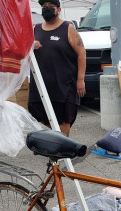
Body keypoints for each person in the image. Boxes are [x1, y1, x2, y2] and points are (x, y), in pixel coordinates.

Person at [28, 0, 86, 137]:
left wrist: (80, 79)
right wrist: (31, 45)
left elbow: (82, 53)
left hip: (64, 84)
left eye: (50, 7)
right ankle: (58, 138)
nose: (46, 9)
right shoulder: (35, 29)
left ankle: (61, 152)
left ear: (58, 10)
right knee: (35, 111)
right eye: (44, 7)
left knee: (63, 119)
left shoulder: (68, 28)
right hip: (41, 84)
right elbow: (24, 51)